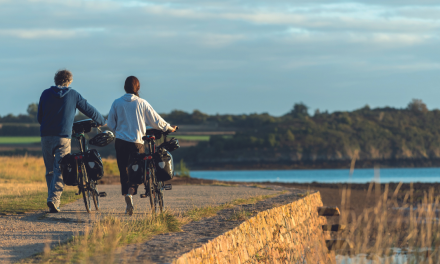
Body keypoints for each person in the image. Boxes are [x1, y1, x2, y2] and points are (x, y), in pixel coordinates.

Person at [38, 69, 106, 213]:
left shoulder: (45, 94)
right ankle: (53, 200)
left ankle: (52, 199)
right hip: (63, 137)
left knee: (50, 170)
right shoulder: (73, 94)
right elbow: (89, 110)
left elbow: (40, 117)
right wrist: (101, 121)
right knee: (60, 169)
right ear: (69, 81)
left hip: (46, 136)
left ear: (56, 80)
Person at [107, 76, 177, 215]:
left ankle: (129, 197)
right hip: (136, 142)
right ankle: (132, 192)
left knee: (124, 171)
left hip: (120, 142)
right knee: (137, 172)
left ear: (124, 87)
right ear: (138, 88)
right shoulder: (142, 103)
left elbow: (110, 124)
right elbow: (156, 121)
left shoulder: (116, 103)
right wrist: (170, 128)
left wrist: (119, 131)